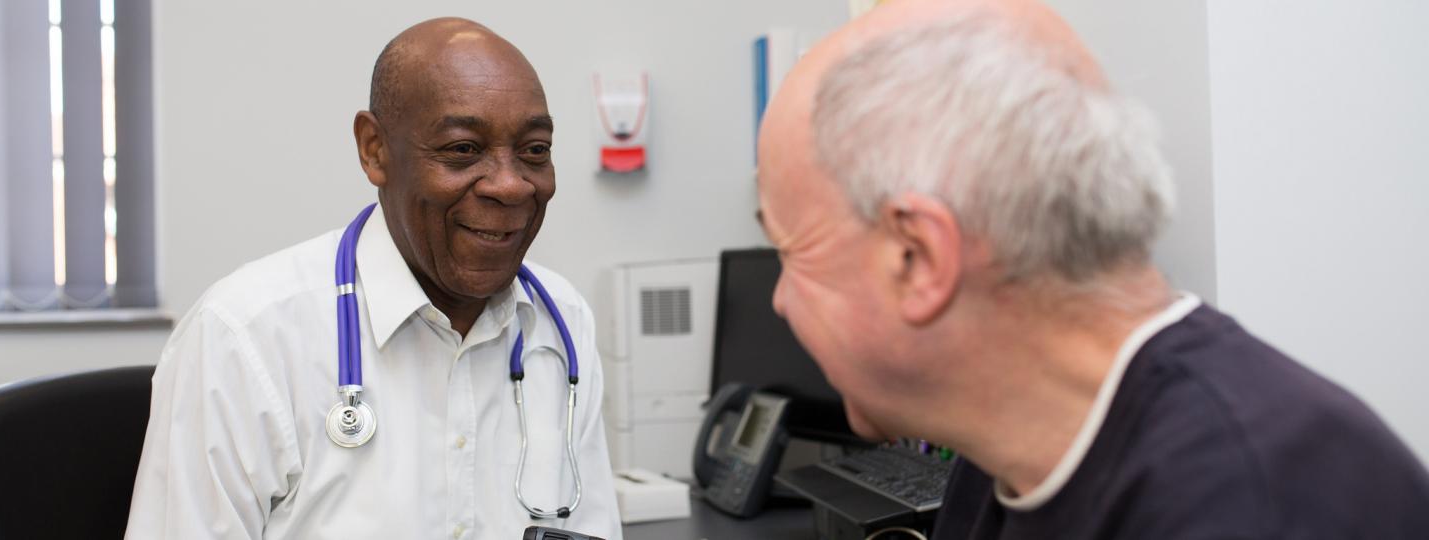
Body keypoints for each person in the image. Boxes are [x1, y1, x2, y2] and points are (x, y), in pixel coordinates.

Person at [755, 0, 1429, 538]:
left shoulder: (1265, 500)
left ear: (917, 258)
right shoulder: (1002, 463)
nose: (781, 301)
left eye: (789, 251)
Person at [125, 18, 621, 540]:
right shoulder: (244, 338)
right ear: (374, 149)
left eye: (534, 150)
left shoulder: (562, 323)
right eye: (462, 149)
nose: (509, 185)